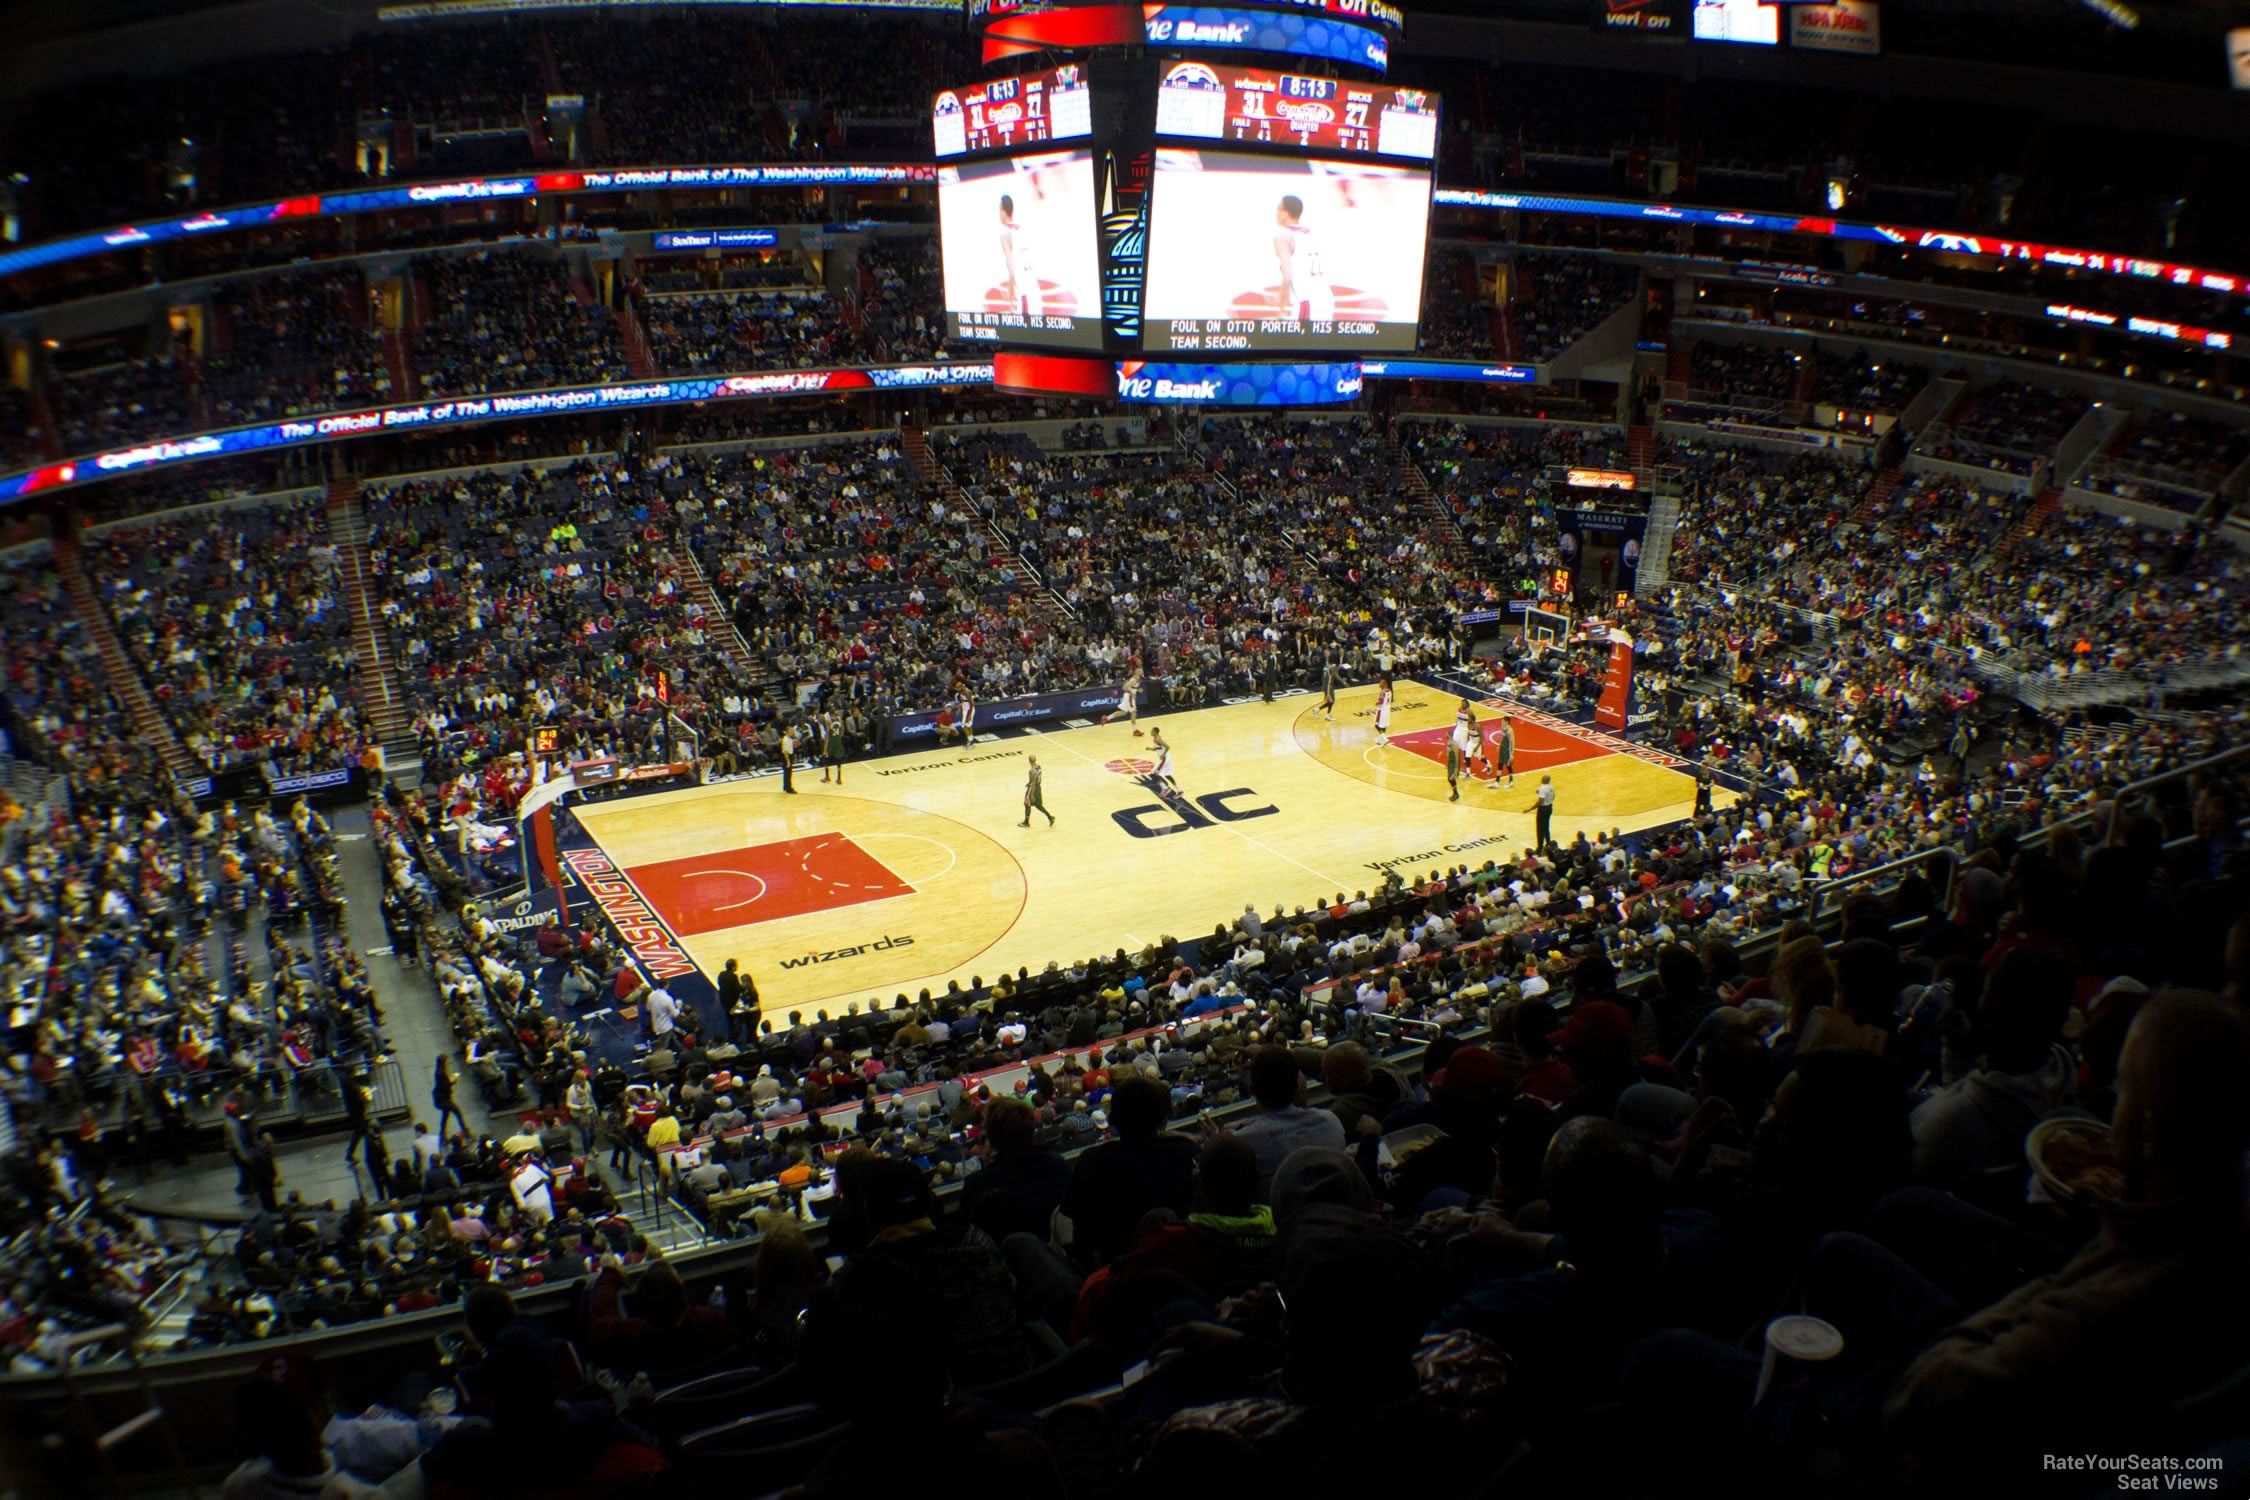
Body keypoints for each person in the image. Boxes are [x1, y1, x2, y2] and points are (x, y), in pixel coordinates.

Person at [1233, 1045, 1346, 1199]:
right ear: (1297, 1086)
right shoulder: (1331, 1120)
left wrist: (1219, 1146)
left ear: (1251, 1088)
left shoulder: (1243, 1144)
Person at [1274, 193, 1334, 323]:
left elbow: (1288, 276)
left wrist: (1281, 307)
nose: (1276, 212)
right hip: (1327, 299)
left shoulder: (1283, 236)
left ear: (1284, 213)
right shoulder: (1311, 233)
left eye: (1278, 208)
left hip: (1308, 304)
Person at [998, 192, 1040, 318]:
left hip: (1024, 295)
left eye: (999, 210)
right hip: (1034, 288)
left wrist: (1010, 301)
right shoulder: (1020, 228)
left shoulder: (1005, 233)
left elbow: (1011, 270)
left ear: (1004, 212)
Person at [432, 1055, 466, 1140]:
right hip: (444, 1099)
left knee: (445, 1116)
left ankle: (442, 1135)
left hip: (442, 1098)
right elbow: (445, 1086)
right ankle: (465, 1131)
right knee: (457, 1112)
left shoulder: (439, 1072)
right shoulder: (441, 1073)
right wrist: (453, 1080)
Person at [1103, 668, 1144, 736]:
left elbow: (1132, 687)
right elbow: (1124, 687)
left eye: (1141, 670)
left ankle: (1106, 718)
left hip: (1128, 697)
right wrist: (1132, 693)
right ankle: (1135, 731)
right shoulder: (1134, 680)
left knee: (1124, 712)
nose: (1141, 671)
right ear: (1136, 672)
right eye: (1140, 670)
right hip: (1129, 697)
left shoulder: (1138, 678)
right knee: (1133, 712)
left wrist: (1138, 689)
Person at [1447, 698, 1473, 802]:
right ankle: (1455, 766)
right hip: (1458, 729)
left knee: (1466, 751)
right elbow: (1458, 721)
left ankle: (1468, 771)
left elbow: (1472, 723)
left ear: (1467, 704)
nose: (1462, 704)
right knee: (1454, 747)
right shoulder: (1458, 709)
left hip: (1465, 731)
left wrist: (1469, 734)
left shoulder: (1470, 712)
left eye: (1464, 703)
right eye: (1461, 703)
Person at [1021, 754, 1055, 827]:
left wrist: (1032, 794)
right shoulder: (1039, 767)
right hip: (1038, 787)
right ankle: (1050, 817)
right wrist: (1029, 783)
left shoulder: (1032, 771)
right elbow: (1035, 780)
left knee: (1027, 803)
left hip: (1033, 789)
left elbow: (1033, 783)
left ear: (1029, 761)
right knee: (1038, 805)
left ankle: (1026, 822)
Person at [1492, 712, 1517, 788]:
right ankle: (1497, 782)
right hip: (1502, 749)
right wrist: (1499, 745)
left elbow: (1513, 742)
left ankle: (1511, 781)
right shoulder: (1503, 728)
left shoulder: (1510, 730)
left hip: (1507, 750)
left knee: (1508, 765)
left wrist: (1512, 754)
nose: (1501, 722)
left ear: (1507, 722)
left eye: (1502, 721)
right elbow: (1502, 737)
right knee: (1499, 765)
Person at [820, 713, 846, 784]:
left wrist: (825, 749)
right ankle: (839, 778)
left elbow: (827, 737)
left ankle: (827, 776)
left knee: (825, 758)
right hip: (838, 742)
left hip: (831, 743)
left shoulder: (829, 725)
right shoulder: (839, 721)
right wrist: (839, 737)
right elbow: (843, 729)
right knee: (839, 760)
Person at [1150, 727, 1178, 791]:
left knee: (1153, 774)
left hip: (1164, 758)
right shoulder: (1155, 738)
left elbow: (1168, 747)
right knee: (1167, 775)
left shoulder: (1158, 739)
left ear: (1155, 732)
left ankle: (1165, 788)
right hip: (1164, 758)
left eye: (1152, 731)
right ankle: (1179, 790)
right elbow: (1159, 748)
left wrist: (1163, 754)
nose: (1150, 732)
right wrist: (1150, 749)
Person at [1535, 773, 1555, 850]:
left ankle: (1540, 847)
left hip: (1543, 809)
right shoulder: (1551, 786)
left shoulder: (1543, 788)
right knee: (1546, 827)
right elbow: (1553, 797)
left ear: (1544, 780)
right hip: (1549, 807)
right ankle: (1548, 843)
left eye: (1542, 778)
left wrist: (1530, 809)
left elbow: (1540, 802)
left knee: (1540, 828)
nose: (1541, 779)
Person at [778, 721, 798, 794]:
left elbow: (795, 746)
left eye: (792, 731)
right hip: (787, 757)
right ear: (786, 732)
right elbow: (785, 751)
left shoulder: (790, 738)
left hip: (790, 756)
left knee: (787, 773)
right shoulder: (786, 739)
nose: (792, 732)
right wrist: (788, 761)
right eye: (791, 731)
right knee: (788, 773)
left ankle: (785, 786)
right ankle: (789, 788)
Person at [1373, 676, 1393, 746]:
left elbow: (1381, 701)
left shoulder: (1382, 692)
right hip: (1387, 710)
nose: (1379, 684)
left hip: (1381, 710)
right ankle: (1380, 740)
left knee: (1377, 725)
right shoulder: (1390, 691)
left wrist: (1376, 703)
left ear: (1384, 684)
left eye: (1381, 683)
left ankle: (1384, 739)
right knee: (1383, 725)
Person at [1320, 655, 1339, 721]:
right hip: (1329, 686)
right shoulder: (1331, 667)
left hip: (1325, 685)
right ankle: (1326, 715)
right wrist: (1344, 682)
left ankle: (1321, 711)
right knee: (1332, 701)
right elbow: (1336, 676)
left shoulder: (1325, 667)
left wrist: (1323, 686)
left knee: (1330, 701)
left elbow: (1322, 677)